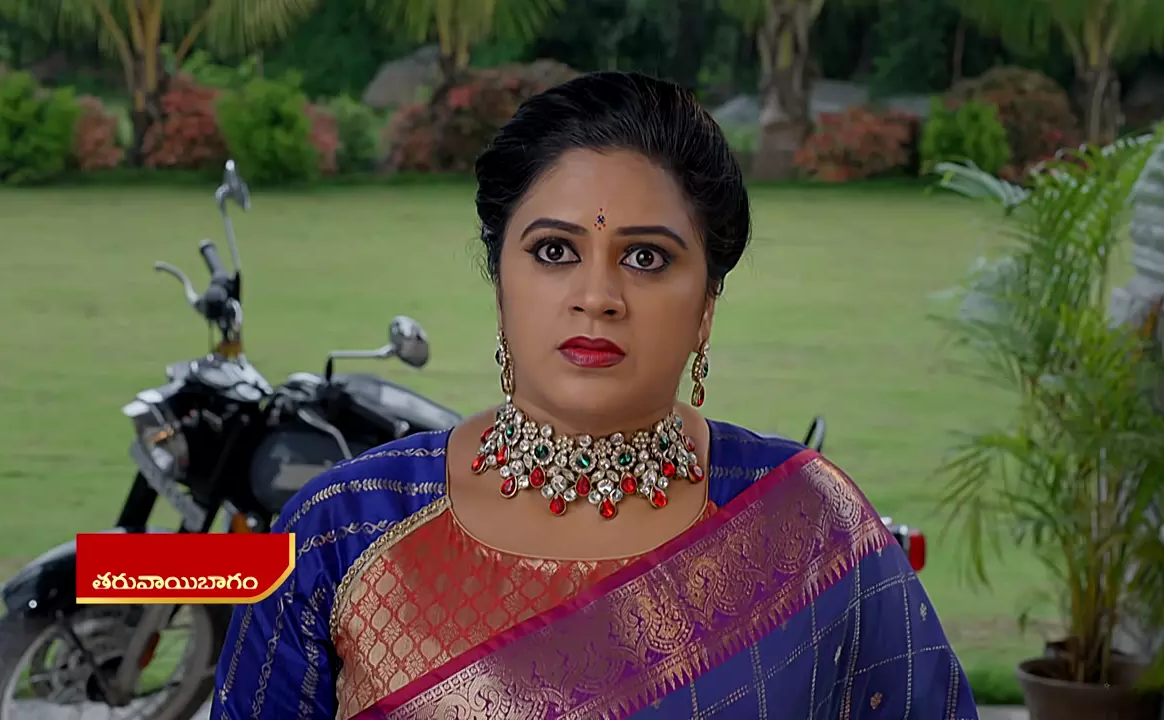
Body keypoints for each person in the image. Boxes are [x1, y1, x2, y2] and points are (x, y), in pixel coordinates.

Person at [211, 71, 977, 719]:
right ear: (500, 283)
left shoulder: (808, 528)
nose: (597, 296)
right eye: (554, 251)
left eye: (646, 258)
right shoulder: (345, 532)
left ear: (706, 306)